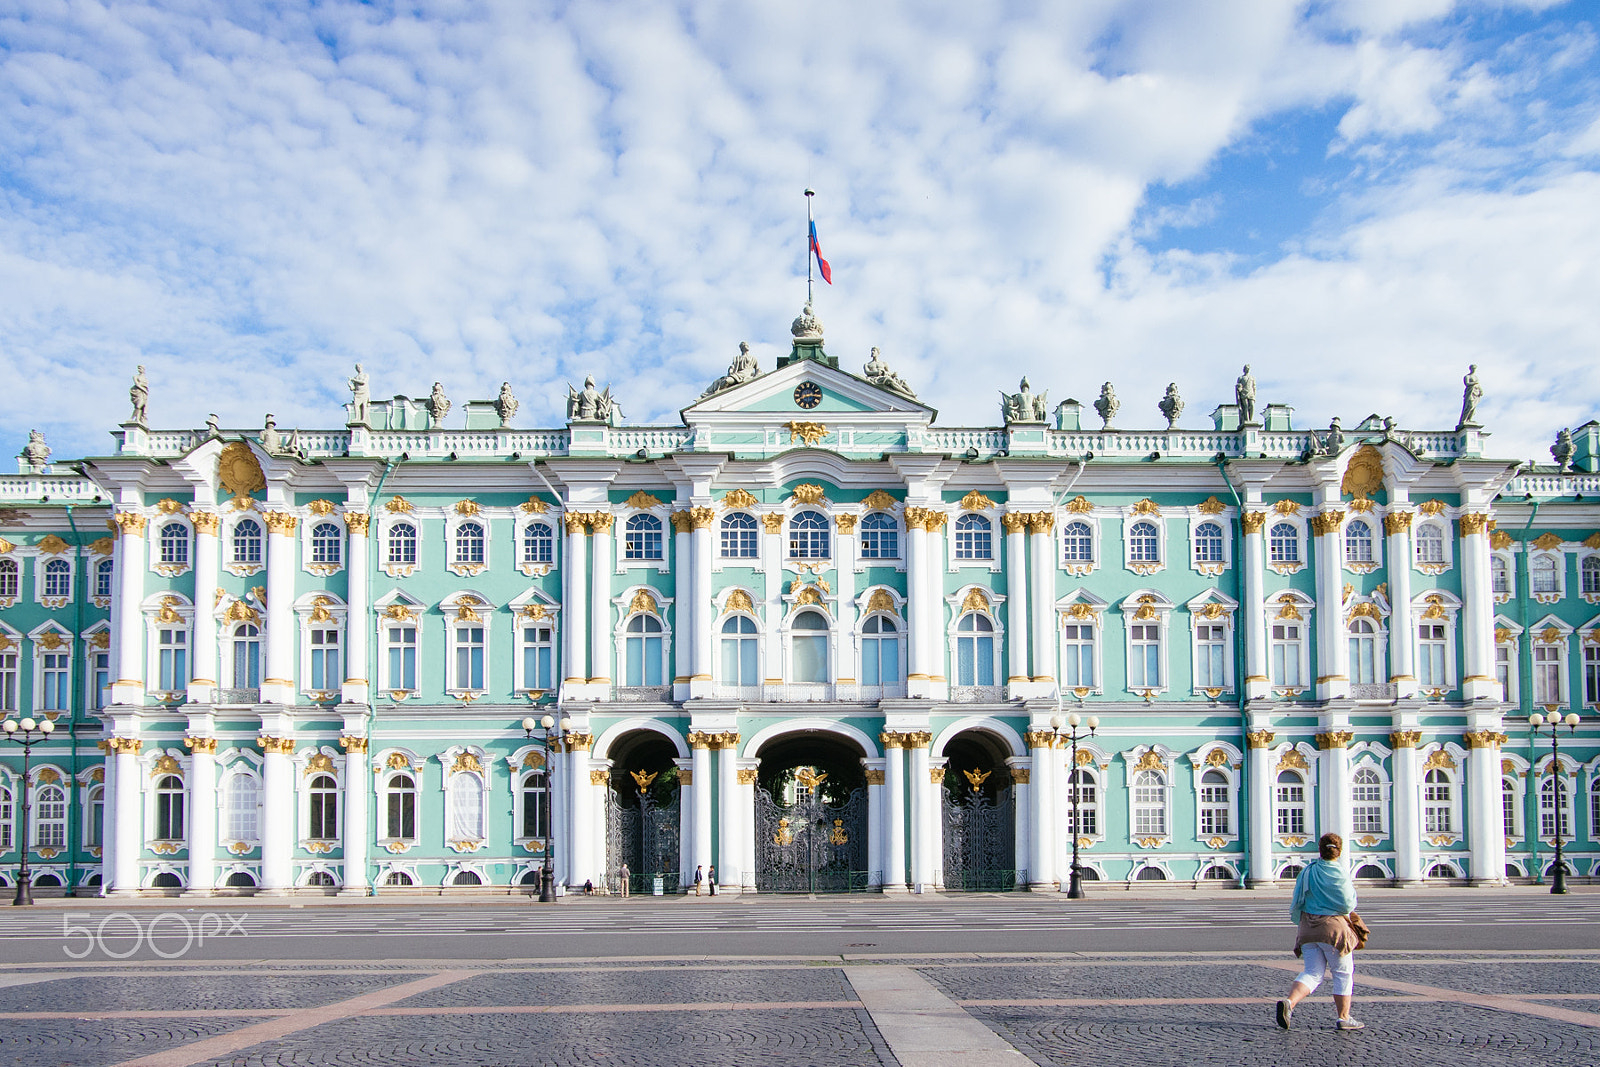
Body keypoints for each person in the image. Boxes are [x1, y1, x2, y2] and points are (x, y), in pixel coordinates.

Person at [1278, 832, 1363, 1031]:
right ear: (1339, 852)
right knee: (1342, 973)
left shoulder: (1308, 871)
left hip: (1308, 928)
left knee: (1312, 973)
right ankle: (1344, 1017)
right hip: (1333, 931)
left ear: (1320, 849)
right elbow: (1347, 904)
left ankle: (1289, 1003)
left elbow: (1298, 899)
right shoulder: (1339, 872)